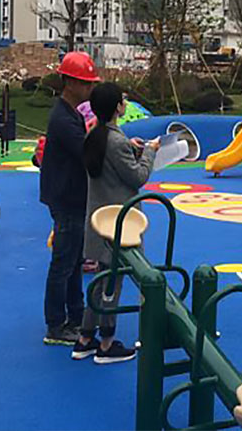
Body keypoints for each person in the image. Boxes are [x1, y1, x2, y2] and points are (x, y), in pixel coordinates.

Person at [73, 82, 158, 364]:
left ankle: (85, 338)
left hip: (99, 219)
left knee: (101, 281)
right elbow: (137, 177)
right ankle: (107, 344)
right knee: (113, 284)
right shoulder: (115, 141)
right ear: (117, 107)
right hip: (119, 223)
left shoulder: (94, 136)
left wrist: (131, 149)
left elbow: (112, 166)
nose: (125, 102)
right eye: (123, 99)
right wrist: (150, 152)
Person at [40, 51, 100, 345]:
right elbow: (87, 153)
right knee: (64, 262)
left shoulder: (71, 113)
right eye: (86, 83)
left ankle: (75, 314)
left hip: (72, 196)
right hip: (66, 198)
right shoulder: (63, 119)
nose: (90, 88)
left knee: (74, 259)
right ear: (71, 83)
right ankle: (56, 324)